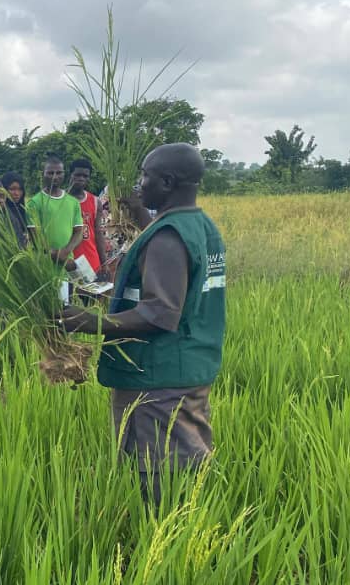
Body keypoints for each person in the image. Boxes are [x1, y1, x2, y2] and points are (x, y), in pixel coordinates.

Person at [60, 143, 227, 505]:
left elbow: (160, 312)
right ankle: (187, 535)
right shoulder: (198, 225)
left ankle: (161, 543)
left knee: (156, 475)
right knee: (187, 462)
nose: (139, 184)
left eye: (146, 176)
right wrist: (141, 217)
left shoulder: (168, 237)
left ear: (166, 182)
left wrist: (92, 322)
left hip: (157, 379)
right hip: (188, 367)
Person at [26, 155, 83, 265]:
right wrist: (55, 254)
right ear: (43, 174)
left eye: (59, 173)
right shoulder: (34, 202)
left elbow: (78, 232)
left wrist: (65, 252)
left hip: (67, 263)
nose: (55, 177)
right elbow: (35, 236)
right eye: (50, 173)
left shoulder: (73, 202)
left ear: (64, 174)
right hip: (45, 265)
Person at [66, 159, 107, 272]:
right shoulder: (60, 201)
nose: (81, 179)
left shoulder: (95, 201)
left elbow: (98, 234)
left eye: (85, 176)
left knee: (89, 289)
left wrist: (104, 264)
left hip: (90, 262)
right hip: (66, 262)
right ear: (71, 175)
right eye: (78, 175)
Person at [1, 171, 28, 248]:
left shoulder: (22, 209)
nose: (17, 193)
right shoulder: (0, 211)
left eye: (20, 189)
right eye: (12, 189)